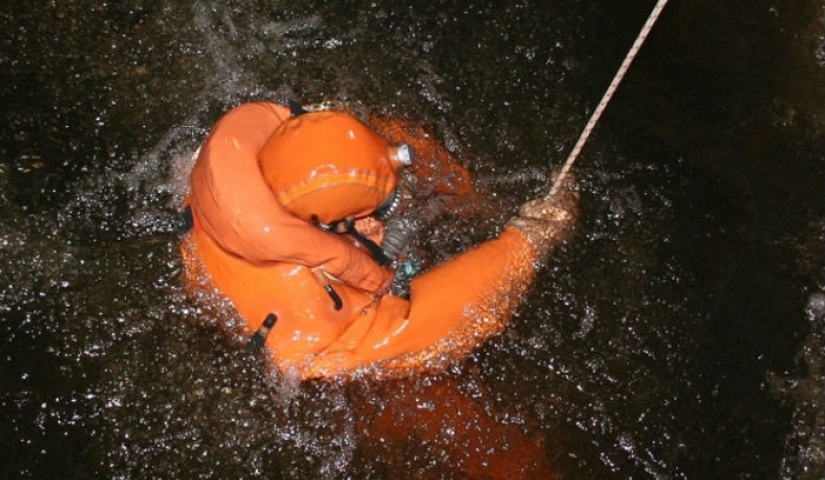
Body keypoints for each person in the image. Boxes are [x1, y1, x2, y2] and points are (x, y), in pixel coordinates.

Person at [180, 101, 576, 379]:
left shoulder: (241, 153)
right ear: (327, 227)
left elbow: (341, 146)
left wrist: (469, 196)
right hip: (308, 357)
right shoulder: (316, 333)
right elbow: (435, 325)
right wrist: (528, 241)